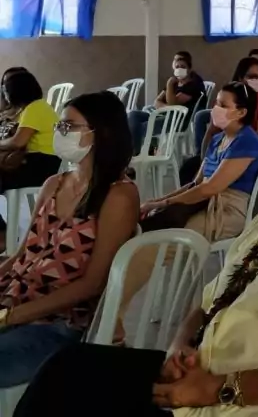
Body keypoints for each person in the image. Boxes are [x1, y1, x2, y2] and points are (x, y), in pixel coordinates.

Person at [17, 121, 258, 416]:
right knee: (67, 367)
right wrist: (180, 347)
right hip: (202, 368)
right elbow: (210, 302)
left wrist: (218, 389)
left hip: (246, 401)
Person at [0, 91, 138, 389]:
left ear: (100, 133)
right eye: (59, 126)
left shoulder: (118, 196)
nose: (59, 133)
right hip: (16, 298)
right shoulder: (55, 183)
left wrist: (10, 317)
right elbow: (23, 254)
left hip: (61, 323)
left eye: (68, 127)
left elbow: (92, 284)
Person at [139, 82, 258, 242]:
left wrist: (163, 203)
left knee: (169, 237)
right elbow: (196, 184)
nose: (215, 108)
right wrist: (155, 202)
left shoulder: (246, 142)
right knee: (155, 221)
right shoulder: (218, 139)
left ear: (240, 112)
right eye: (216, 102)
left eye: (222, 105)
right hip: (204, 200)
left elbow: (210, 188)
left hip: (226, 210)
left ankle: (151, 263)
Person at [185, 57, 258, 186]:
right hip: (226, 146)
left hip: (243, 153)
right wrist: (205, 161)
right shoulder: (232, 96)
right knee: (188, 169)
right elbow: (211, 132)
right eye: (252, 76)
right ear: (241, 78)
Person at [0, 70, 61, 228]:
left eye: (6, 90)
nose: (5, 95)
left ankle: (1, 233)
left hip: (42, 166)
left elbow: (18, 142)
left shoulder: (34, 108)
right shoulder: (35, 107)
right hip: (40, 162)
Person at [128, 52, 206, 156]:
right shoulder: (175, 80)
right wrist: (167, 108)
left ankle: (137, 154)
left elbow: (173, 103)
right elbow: (157, 101)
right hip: (164, 114)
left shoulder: (193, 84)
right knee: (134, 115)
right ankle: (136, 153)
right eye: (177, 66)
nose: (179, 68)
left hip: (178, 120)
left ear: (189, 68)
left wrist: (169, 85)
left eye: (183, 66)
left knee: (140, 128)